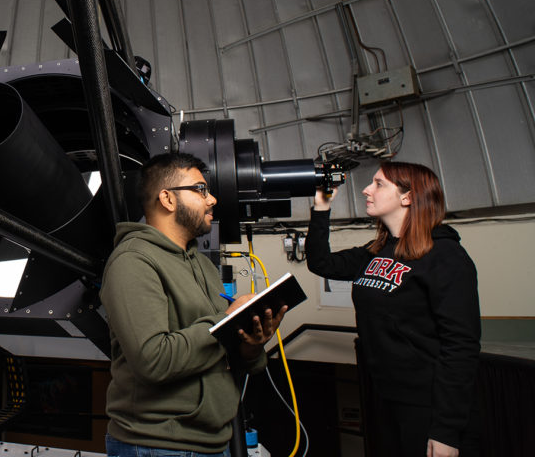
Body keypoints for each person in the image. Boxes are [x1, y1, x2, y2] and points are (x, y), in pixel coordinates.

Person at [101, 152, 286, 457]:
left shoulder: (202, 265)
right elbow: (153, 360)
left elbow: (225, 353)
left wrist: (251, 342)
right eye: (200, 190)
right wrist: (225, 321)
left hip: (213, 442)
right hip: (157, 446)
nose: (212, 199)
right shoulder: (133, 262)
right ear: (167, 199)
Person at [306, 161, 480, 457]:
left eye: (378, 184)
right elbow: (320, 262)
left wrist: (446, 430)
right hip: (384, 397)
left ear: (408, 197)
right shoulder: (377, 251)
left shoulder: (446, 257)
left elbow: (461, 345)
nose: (366, 190)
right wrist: (321, 208)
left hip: (427, 406)